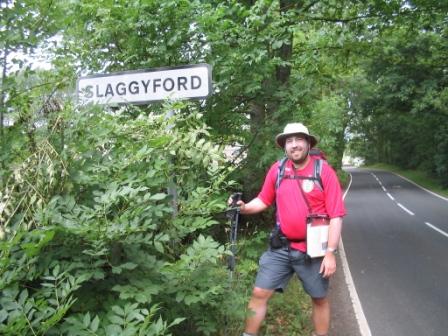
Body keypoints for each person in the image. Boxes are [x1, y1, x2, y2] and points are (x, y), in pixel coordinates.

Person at [230, 122, 346, 336]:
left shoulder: (324, 172)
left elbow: (336, 216)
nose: (294, 145)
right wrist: (243, 208)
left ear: (308, 143)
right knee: (259, 292)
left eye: (298, 140)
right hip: (281, 246)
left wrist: (330, 253)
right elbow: (263, 200)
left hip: (314, 251)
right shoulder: (278, 169)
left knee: (319, 298)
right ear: (284, 146)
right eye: (289, 141)